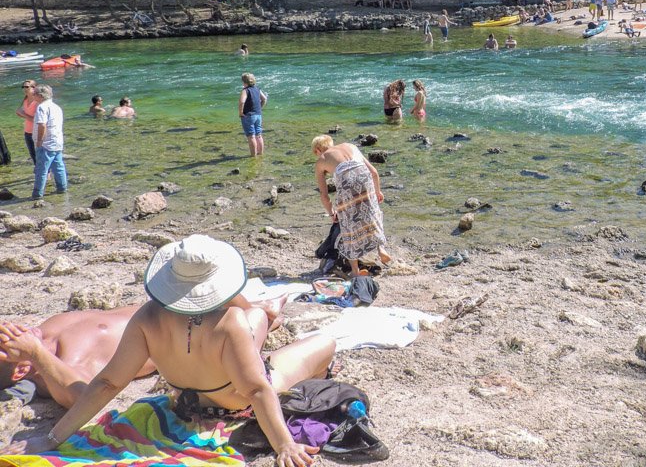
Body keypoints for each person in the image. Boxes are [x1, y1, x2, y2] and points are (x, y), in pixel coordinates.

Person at [2, 236, 336, 467]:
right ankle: (277, 325)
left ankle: (267, 315)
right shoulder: (230, 321)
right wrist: (284, 445)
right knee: (324, 344)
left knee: (257, 320)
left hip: (180, 406)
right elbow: (256, 388)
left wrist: (54, 436)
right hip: (233, 405)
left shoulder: (147, 317)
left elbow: (107, 385)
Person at [0, 306, 158, 410]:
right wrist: (35, 352)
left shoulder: (41, 335)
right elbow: (86, 398)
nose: (9, 329)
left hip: (160, 300)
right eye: (6, 339)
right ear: (21, 369)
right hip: (175, 327)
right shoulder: (68, 362)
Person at [312, 136, 392, 279]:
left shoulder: (321, 160)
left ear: (318, 150)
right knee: (372, 213)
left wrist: (332, 214)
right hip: (364, 176)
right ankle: (381, 249)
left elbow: (324, 196)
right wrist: (378, 191)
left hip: (345, 180)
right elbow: (374, 172)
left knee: (349, 225)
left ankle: (355, 271)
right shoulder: (349, 146)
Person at [32, 85, 66, 200]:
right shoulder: (57, 107)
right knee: (58, 167)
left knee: (41, 170)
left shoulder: (42, 107)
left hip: (46, 143)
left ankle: (37, 194)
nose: (33, 95)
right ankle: (62, 189)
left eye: (34, 93)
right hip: (57, 141)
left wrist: (39, 141)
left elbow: (42, 125)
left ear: (40, 96)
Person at [239, 72, 268, 157]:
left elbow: (242, 102)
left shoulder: (245, 90)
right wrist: (260, 108)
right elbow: (264, 99)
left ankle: (253, 156)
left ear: (244, 82)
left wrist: (241, 112)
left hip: (248, 115)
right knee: (258, 135)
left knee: (251, 136)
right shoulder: (257, 89)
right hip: (258, 115)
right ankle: (261, 153)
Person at [16, 81, 38, 164]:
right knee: (33, 155)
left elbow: (37, 120)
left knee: (40, 155)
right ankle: (40, 174)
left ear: (34, 87)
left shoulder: (37, 101)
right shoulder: (25, 99)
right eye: (23, 87)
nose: (24, 89)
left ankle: (47, 174)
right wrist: (20, 114)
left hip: (36, 131)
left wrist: (23, 114)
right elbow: (25, 115)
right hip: (27, 131)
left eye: (27, 87)